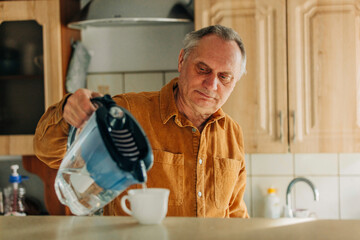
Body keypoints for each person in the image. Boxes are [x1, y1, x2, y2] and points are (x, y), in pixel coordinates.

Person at [34, 25, 249, 218]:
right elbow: (47, 151)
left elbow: (235, 212)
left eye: (224, 77)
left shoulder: (232, 132)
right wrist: (67, 112)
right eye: (203, 69)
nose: (211, 84)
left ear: (236, 80)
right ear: (182, 60)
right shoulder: (127, 114)